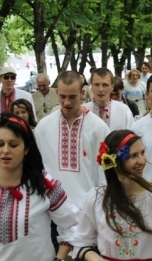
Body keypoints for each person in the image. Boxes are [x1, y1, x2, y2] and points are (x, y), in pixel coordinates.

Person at [0, 113, 79, 261]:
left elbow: (73, 225)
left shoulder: (44, 185)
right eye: (0, 144)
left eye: (13, 145)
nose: (5, 151)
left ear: (26, 149)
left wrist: (59, 258)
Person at [72, 130, 152, 261]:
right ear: (115, 161)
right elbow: (81, 242)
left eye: (142, 153)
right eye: (133, 156)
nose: (142, 161)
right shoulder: (96, 198)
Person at [34, 71, 110, 209]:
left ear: (82, 93)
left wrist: (101, 205)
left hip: (89, 207)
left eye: (72, 97)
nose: (67, 102)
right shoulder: (43, 127)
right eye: (62, 96)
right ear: (56, 92)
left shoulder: (99, 128)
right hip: (51, 208)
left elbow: (105, 172)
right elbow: (36, 167)